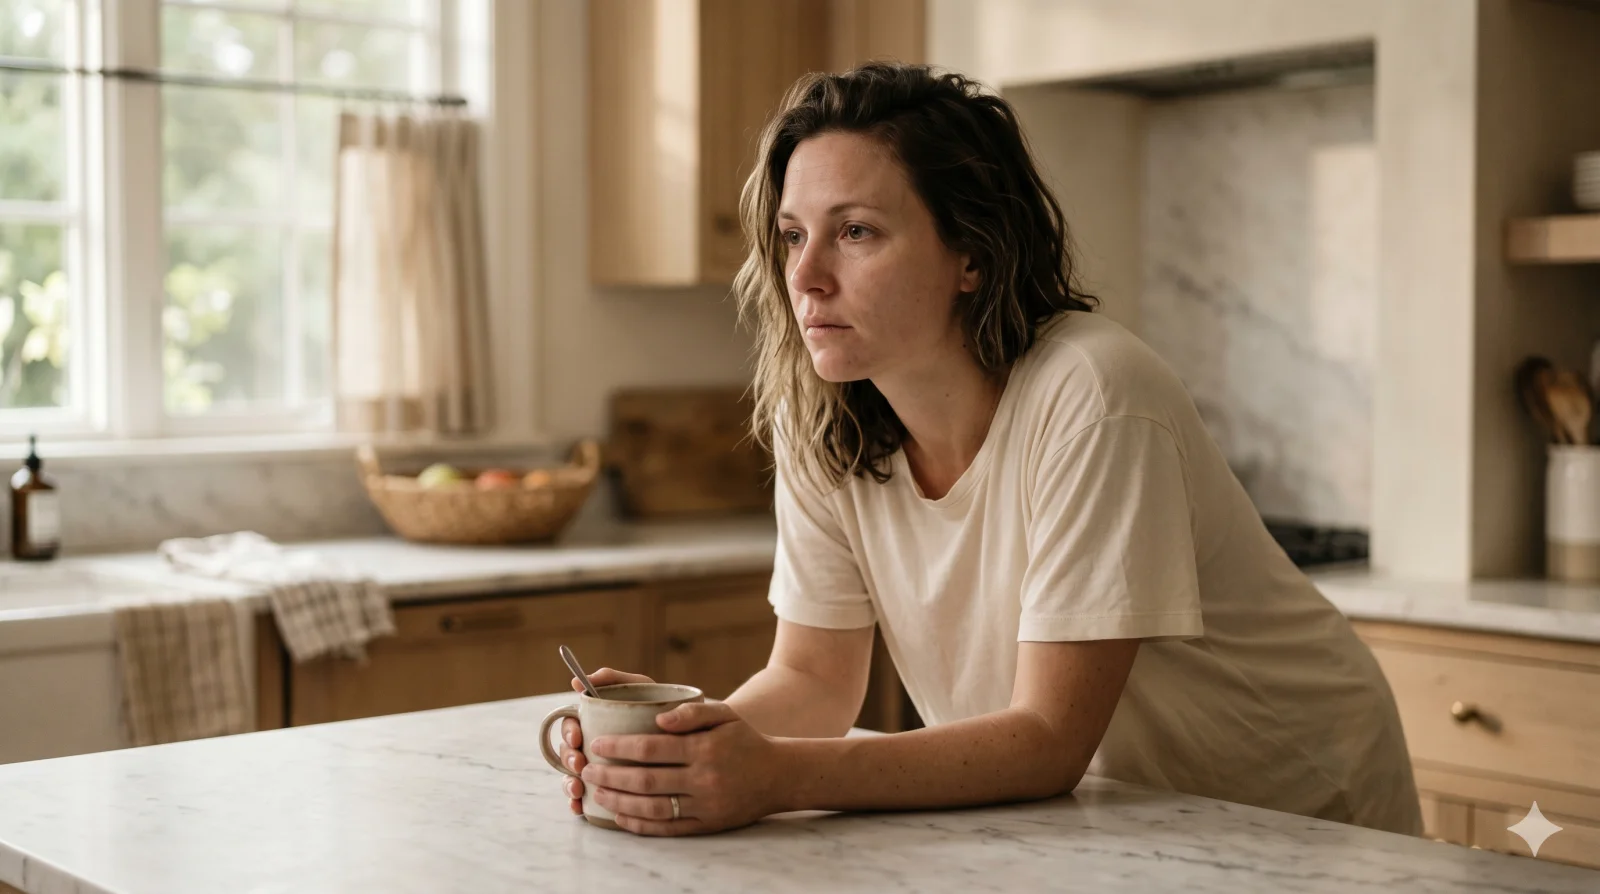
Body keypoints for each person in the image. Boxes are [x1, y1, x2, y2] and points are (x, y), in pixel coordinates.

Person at [558, 62, 1422, 839]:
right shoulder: (817, 417)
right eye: (792, 235)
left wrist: (775, 777)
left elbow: (1048, 738)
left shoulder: (1094, 394)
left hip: (1293, 811)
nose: (806, 275)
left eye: (855, 232)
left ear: (970, 253)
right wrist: (678, 751)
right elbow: (814, 679)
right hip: (1105, 824)